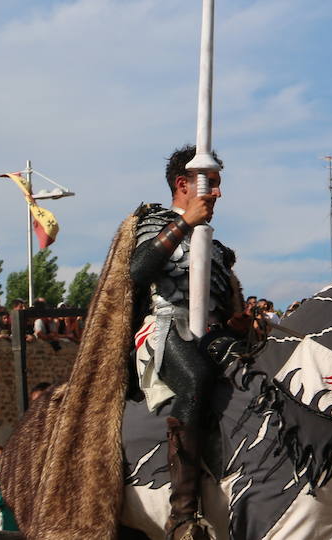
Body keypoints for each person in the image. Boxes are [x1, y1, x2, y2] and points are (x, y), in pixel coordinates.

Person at [129, 145, 246, 540]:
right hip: (166, 327)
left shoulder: (216, 246)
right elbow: (139, 270)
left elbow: (221, 299)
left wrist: (239, 322)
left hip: (214, 333)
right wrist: (184, 223)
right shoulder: (155, 222)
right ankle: (182, 513)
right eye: (210, 184)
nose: (217, 194)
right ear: (184, 184)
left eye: (216, 184)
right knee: (194, 379)